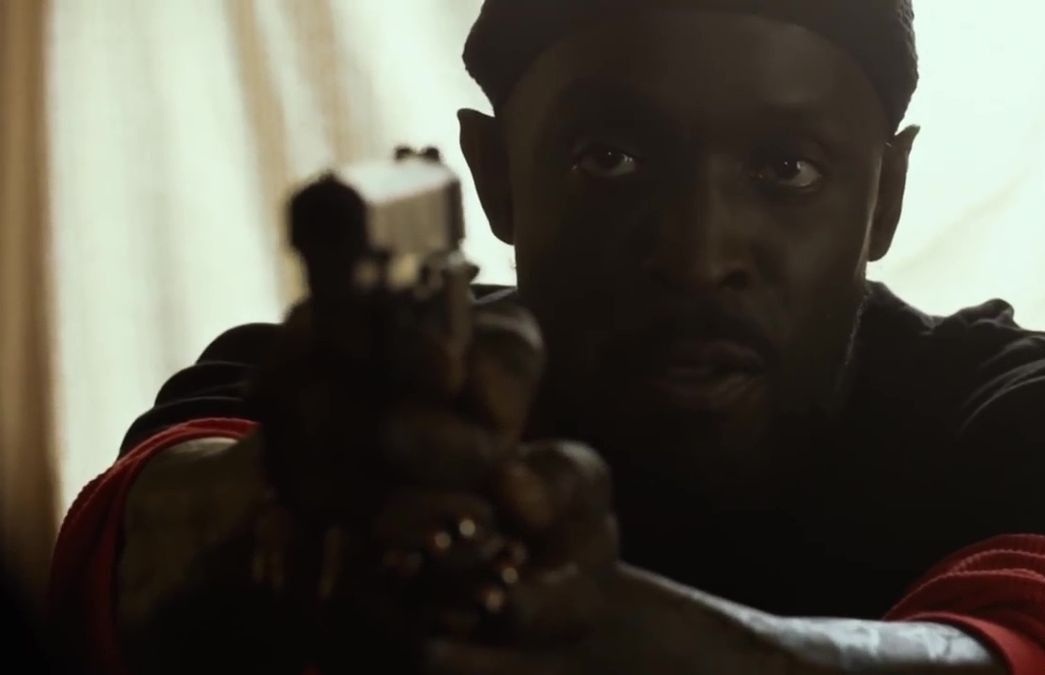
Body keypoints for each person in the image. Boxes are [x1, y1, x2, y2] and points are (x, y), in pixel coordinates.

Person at [49, 0, 1045, 673]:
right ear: (494, 175)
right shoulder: (322, 385)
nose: (696, 255)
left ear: (886, 196)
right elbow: (138, 536)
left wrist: (614, 636)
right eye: (608, 158)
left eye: (787, 169)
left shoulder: (1001, 410)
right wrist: (274, 511)